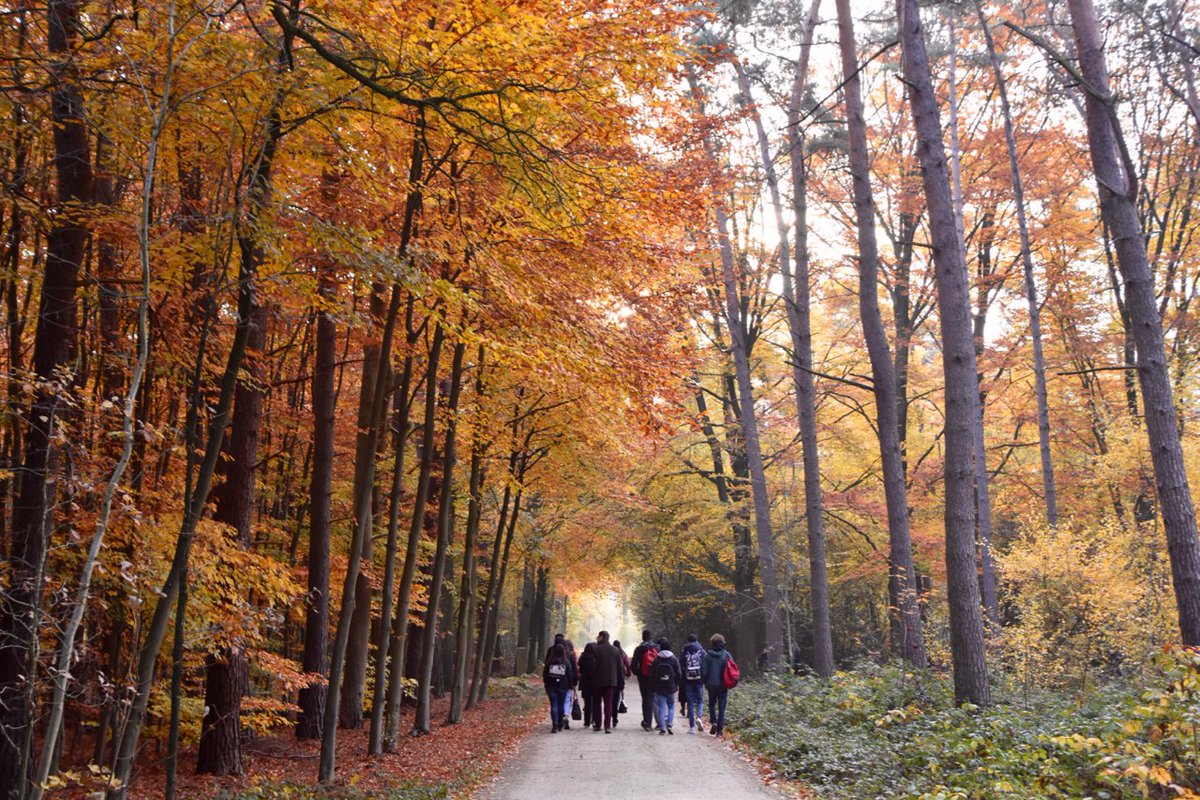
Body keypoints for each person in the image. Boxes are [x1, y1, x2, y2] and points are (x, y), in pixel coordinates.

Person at [591, 630, 623, 733]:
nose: (597, 638)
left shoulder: (595, 650)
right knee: (608, 703)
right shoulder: (615, 650)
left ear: (602, 637)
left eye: (598, 636)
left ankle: (598, 725)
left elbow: (592, 666)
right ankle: (607, 726)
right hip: (611, 681)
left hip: (597, 681)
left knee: (597, 703)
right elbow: (620, 666)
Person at [701, 633, 732, 736]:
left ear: (712, 643)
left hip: (711, 684)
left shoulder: (707, 656)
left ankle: (714, 721)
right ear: (722, 643)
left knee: (712, 704)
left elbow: (703, 671)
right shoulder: (726, 655)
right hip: (723, 684)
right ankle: (719, 730)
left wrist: (705, 681)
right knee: (722, 706)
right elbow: (733, 668)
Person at [650, 637, 682, 734]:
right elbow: (679, 674)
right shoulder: (674, 659)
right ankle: (670, 724)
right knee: (671, 706)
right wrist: (676, 684)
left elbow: (652, 674)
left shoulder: (657, 659)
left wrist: (653, 686)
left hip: (660, 686)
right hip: (670, 686)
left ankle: (663, 727)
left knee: (661, 707)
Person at [630, 629, 658, 731]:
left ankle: (646, 722)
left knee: (645, 698)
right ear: (651, 637)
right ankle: (653, 723)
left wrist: (637, 673)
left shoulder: (639, 649)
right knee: (651, 698)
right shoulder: (656, 648)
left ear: (642, 637)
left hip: (643, 677)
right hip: (653, 676)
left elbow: (633, 664)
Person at [542, 643, 575, 733]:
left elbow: (545, 674)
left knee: (554, 705)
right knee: (561, 705)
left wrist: (546, 684)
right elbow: (569, 674)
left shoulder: (550, 662)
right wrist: (570, 685)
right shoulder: (565, 662)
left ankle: (555, 725)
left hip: (551, 686)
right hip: (563, 686)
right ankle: (560, 724)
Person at [680, 633, 705, 733]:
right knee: (699, 701)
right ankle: (699, 718)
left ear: (687, 641)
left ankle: (692, 728)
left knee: (690, 702)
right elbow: (705, 665)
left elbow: (681, 665)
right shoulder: (701, 651)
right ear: (697, 640)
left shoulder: (684, 651)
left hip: (688, 680)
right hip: (699, 680)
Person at [578, 641, 598, 728]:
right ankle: (594, 720)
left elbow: (580, 669)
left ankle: (586, 721)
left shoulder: (583, 657)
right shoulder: (597, 658)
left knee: (587, 702)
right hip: (595, 682)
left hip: (585, 682)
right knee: (595, 702)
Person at [613, 639, 631, 723]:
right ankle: (619, 704)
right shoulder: (622, 653)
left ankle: (613, 713)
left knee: (612, 695)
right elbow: (627, 663)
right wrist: (628, 673)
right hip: (621, 675)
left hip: (612, 675)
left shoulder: (612, 652)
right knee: (618, 693)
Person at [562, 638, 578, 729]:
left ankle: (559, 717)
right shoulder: (572, 654)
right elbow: (575, 668)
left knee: (560, 699)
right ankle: (566, 715)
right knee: (567, 700)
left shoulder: (560, 653)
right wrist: (574, 681)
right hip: (569, 680)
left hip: (559, 679)